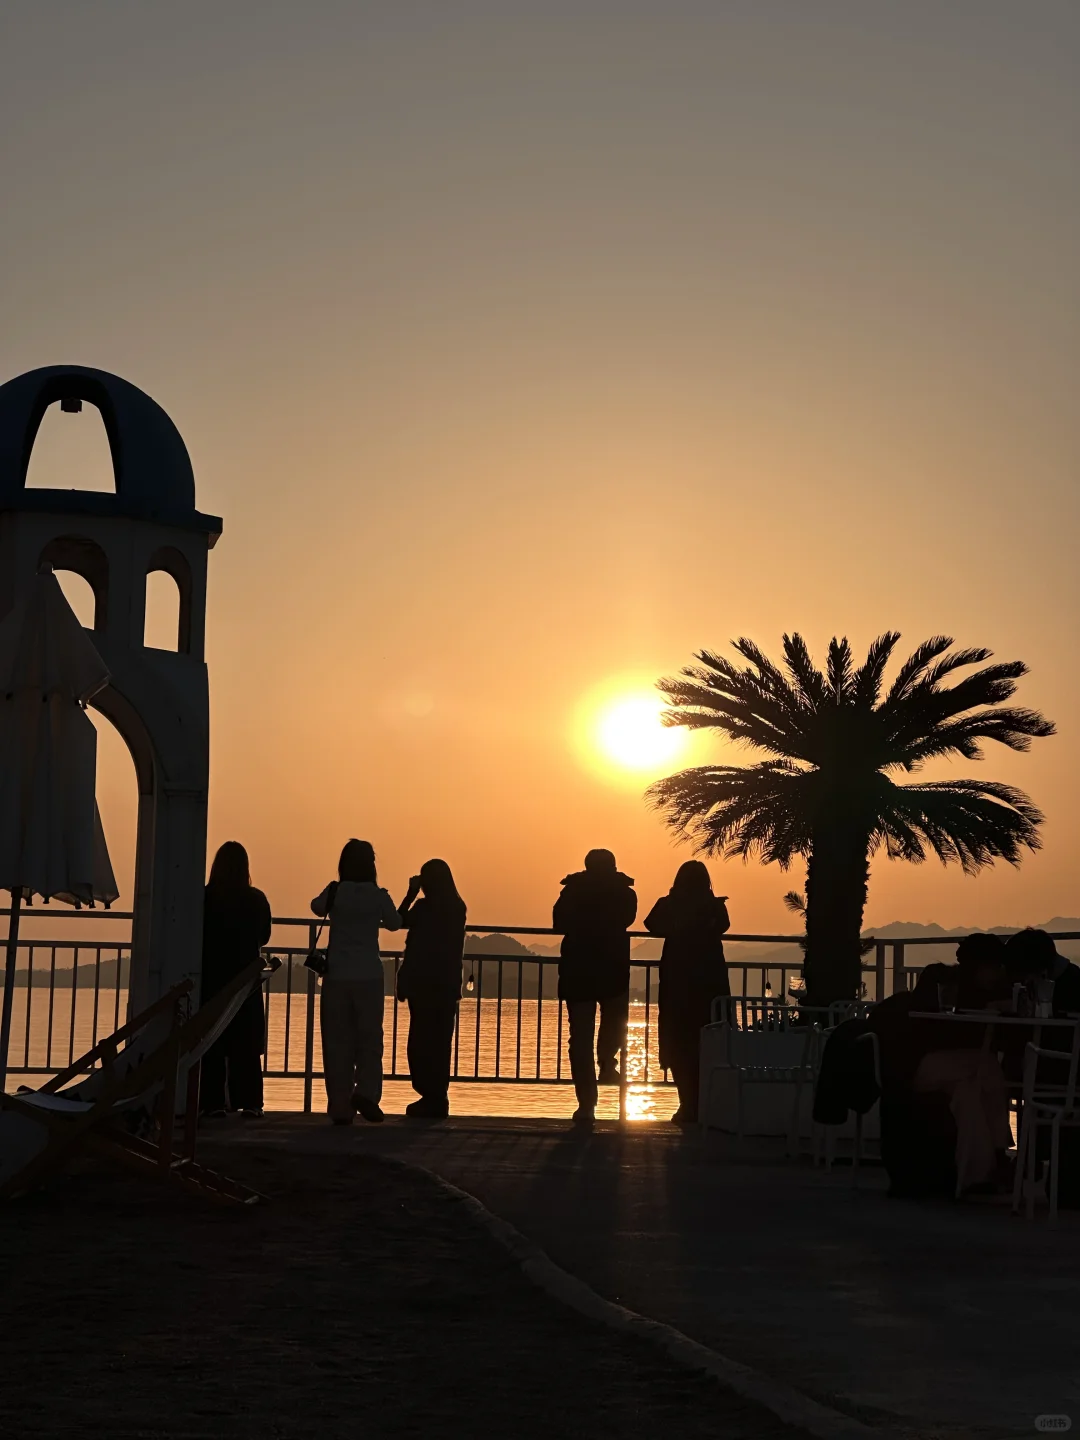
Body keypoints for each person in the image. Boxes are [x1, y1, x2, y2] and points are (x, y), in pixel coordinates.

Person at [311, 839, 401, 1125]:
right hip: (370, 976)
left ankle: (340, 1105)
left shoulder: (336, 891)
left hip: (337, 975)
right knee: (370, 1039)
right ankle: (366, 1092)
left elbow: (315, 907)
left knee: (338, 1042)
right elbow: (395, 922)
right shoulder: (377, 895)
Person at [553, 849, 637, 1127]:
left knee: (579, 1038)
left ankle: (586, 1103)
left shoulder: (573, 891)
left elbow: (558, 922)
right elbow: (627, 920)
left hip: (578, 969)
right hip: (612, 968)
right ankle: (607, 1063)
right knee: (614, 1025)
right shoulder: (624, 893)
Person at [644, 861, 730, 1123]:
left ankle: (687, 1105)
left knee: (679, 1041)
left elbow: (651, 924)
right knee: (709, 1038)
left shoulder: (670, 903)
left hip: (678, 981)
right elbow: (724, 925)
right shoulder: (714, 905)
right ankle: (706, 1104)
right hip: (710, 981)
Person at [200, 841, 273, 1119]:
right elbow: (264, 936)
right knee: (247, 1041)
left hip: (213, 975)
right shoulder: (256, 899)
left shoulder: (206, 898)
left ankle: (212, 1102)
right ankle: (251, 1102)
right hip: (246, 978)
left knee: (212, 1039)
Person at [396, 859, 467, 1119]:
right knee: (440, 1042)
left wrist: (410, 893)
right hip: (446, 984)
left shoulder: (424, 908)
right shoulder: (457, 907)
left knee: (420, 1041)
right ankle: (437, 1097)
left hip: (422, 983)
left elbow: (398, 921)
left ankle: (429, 1095)